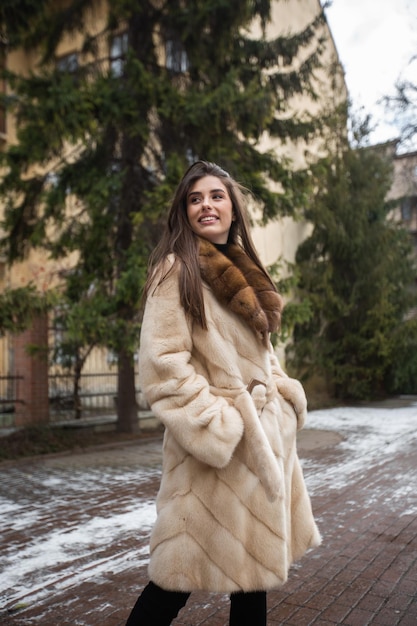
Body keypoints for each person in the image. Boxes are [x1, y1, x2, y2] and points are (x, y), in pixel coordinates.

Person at [125, 161, 321, 626]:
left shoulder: (245, 271)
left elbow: (261, 355)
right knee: (174, 581)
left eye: (216, 196)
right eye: (195, 198)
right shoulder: (176, 269)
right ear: (184, 211)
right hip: (214, 456)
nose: (206, 205)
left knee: (252, 584)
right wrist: (221, 425)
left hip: (259, 450)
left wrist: (285, 398)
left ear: (233, 209)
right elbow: (164, 366)